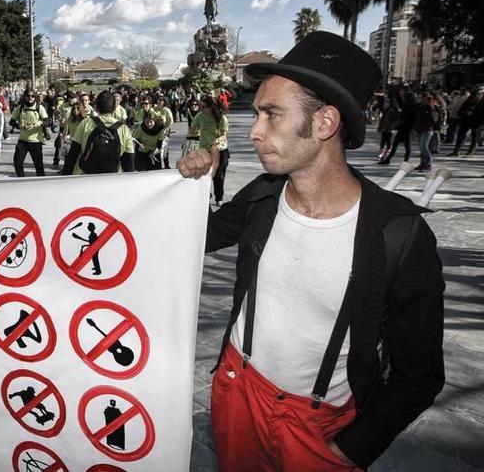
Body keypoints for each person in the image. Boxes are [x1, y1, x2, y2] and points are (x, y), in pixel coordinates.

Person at [177, 31, 444, 471]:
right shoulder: (262, 196)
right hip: (237, 391)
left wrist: (350, 450)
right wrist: (186, 189)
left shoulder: (398, 233)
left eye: (272, 115)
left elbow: (419, 376)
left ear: (324, 123)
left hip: (321, 427)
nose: (255, 132)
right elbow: (191, 237)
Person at [61, 90, 134, 175]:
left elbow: (73, 153)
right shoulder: (123, 129)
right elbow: (129, 161)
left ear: (97, 107)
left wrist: (65, 176)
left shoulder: (85, 123)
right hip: (112, 178)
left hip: (87, 176)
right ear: (114, 107)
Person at [190, 96, 230, 205]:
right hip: (204, 150)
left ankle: (219, 197)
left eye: (203, 107)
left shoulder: (222, 118)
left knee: (218, 176)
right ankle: (206, 195)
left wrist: (216, 141)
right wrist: (193, 129)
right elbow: (193, 129)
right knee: (204, 174)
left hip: (220, 150)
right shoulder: (199, 116)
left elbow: (224, 135)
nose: (200, 109)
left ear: (212, 107)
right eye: (200, 106)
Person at [10, 89, 50, 177]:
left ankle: (41, 182)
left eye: (32, 96)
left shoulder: (39, 107)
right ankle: (21, 179)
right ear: (25, 97)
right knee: (17, 162)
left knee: (38, 165)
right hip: (23, 140)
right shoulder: (20, 108)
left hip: (35, 140)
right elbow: (11, 122)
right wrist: (19, 126)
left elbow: (47, 121)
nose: (30, 98)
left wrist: (39, 123)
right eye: (28, 96)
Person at [412, 93, 438, 171]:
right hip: (421, 130)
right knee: (422, 148)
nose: (421, 100)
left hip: (427, 130)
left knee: (424, 147)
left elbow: (433, 120)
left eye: (423, 99)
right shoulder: (421, 107)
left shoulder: (430, 108)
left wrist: (425, 125)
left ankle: (428, 164)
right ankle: (422, 164)